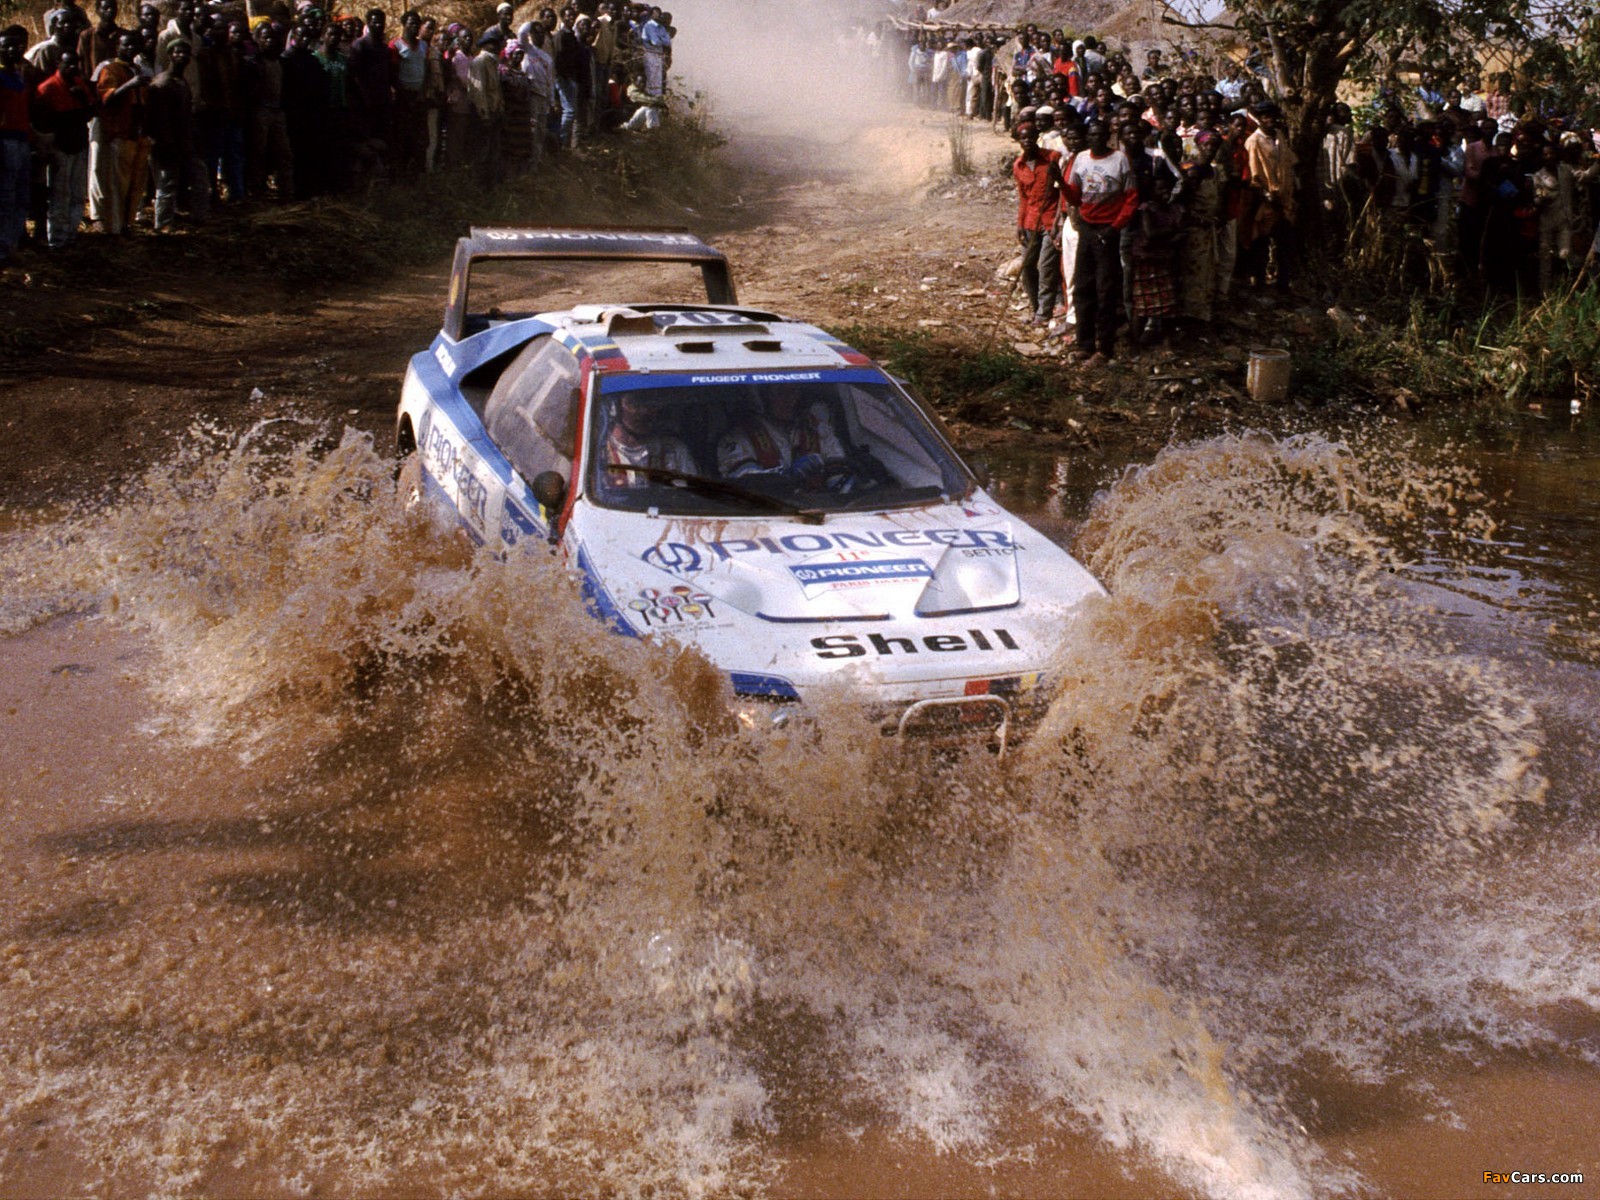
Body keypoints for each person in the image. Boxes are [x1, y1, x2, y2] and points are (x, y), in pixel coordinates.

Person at [1063, 118, 1138, 365]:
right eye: (1092, 134)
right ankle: (1084, 344)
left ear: (1107, 137)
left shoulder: (1120, 160)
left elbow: (1131, 199)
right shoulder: (1081, 158)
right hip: (1086, 227)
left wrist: (1115, 227)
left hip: (1108, 230)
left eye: (1100, 134)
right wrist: (1060, 182)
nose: (1095, 138)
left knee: (1105, 290)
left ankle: (1105, 348)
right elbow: (1075, 196)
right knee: (1082, 287)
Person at [716, 385, 851, 491]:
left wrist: (843, 486)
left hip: (822, 508)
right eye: (780, 392)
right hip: (766, 511)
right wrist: (787, 476)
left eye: (793, 391)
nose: (788, 399)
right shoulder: (739, 437)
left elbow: (839, 470)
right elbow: (744, 484)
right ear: (764, 396)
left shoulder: (818, 429)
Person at [34, 48, 96, 247]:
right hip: (60, 147)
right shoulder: (48, 88)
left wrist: (82, 99)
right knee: (60, 194)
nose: (72, 68)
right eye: (68, 63)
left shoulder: (79, 84)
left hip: (79, 144)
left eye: (75, 64)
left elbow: (92, 111)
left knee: (77, 194)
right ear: (58, 64)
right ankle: (57, 238)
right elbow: (43, 121)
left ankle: (71, 234)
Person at [1011, 117, 1063, 326]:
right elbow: (1023, 197)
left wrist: (1059, 221)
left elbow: (1063, 191)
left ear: (1037, 138)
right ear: (1019, 141)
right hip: (1030, 222)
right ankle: (1035, 308)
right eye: (1023, 138)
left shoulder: (1053, 158)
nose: (1027, 141)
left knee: (1046, 266)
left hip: (1050, 221)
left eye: (1030, 137)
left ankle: (1044, 313)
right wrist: (1019, 223)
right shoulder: (1018, 165)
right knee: (1027, 266)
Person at [607, 393, 695, 487]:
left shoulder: (674, 450)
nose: (644, 411)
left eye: (651, 404)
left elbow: (691, 491)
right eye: (634, 404)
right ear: (615, 408)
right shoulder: (600, 451)